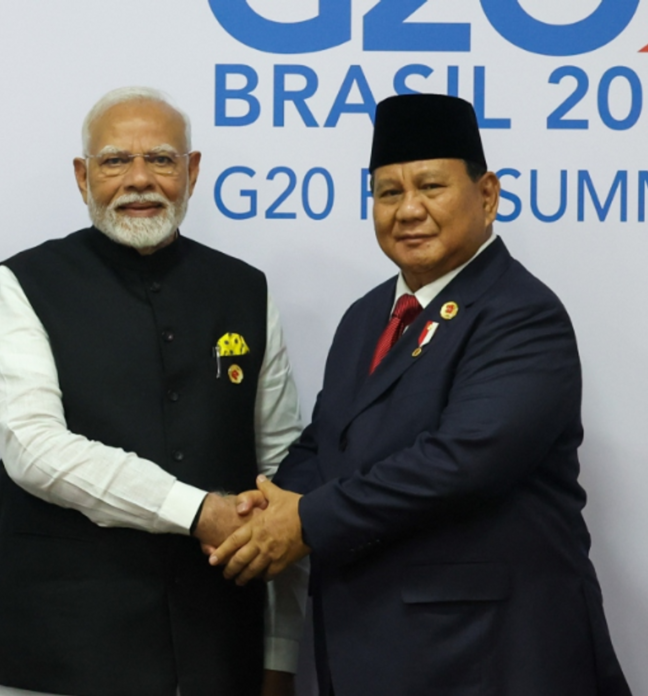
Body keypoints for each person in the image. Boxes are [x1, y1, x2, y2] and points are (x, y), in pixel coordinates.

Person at [210, 94, 633, 695]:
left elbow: (459, 462)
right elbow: (328, 440)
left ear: (487, 195)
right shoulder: (366, 316)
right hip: (371, 652)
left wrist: (303, 520)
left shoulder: (521, 313)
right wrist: (264, 509)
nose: (409, 210)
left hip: (490, 658)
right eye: (388, 192)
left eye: (431, 187)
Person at [0, 86, 306, 696]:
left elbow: (281, 474)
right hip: (55, 654)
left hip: (216, 651)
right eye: (115, 161)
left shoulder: (244, 290)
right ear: (83, 176)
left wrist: (281, 653)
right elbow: (34, 448)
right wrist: (197, 512)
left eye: (161, 159)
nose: (140, 179)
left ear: (192, 171)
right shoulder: (25, 283)